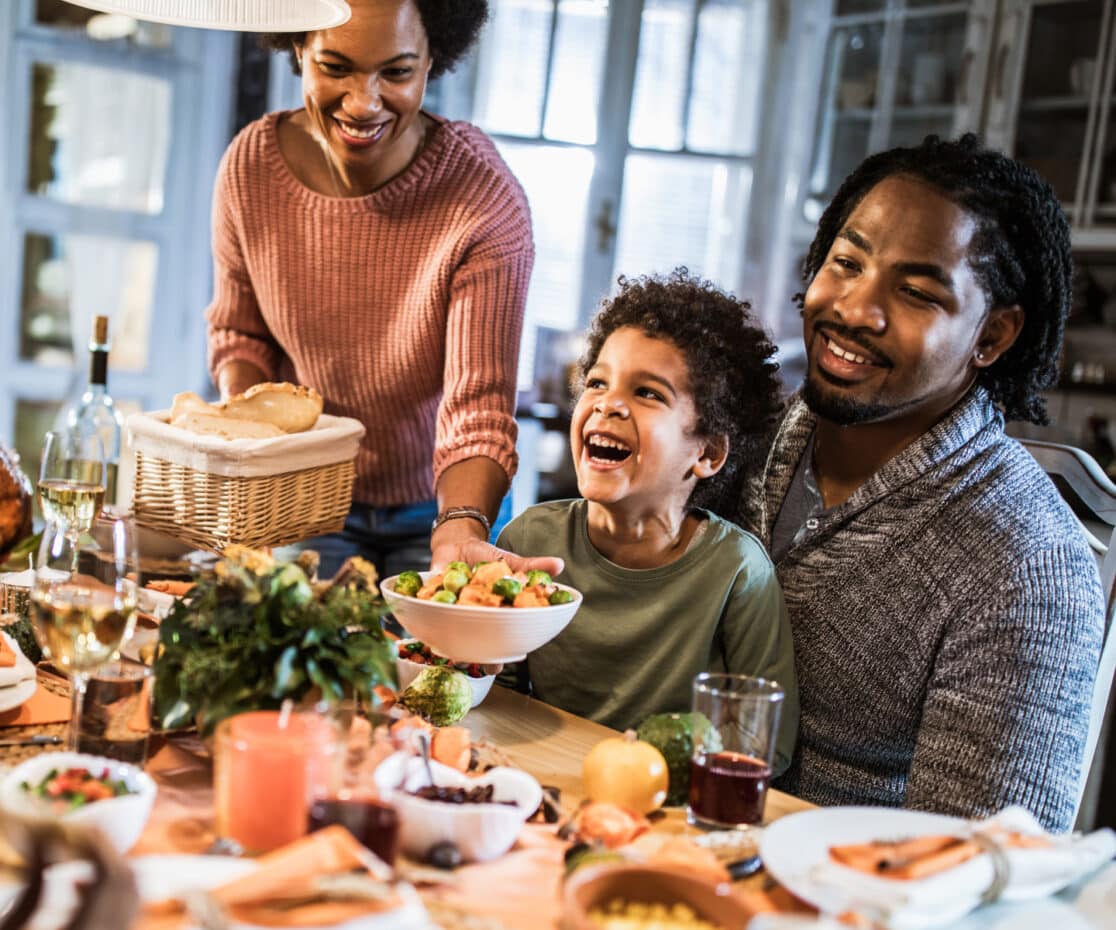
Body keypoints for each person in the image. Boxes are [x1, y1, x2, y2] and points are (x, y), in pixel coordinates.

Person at [750, 134, 1106, 831]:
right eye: (846, 262)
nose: (854, 308)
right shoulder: (738, 440)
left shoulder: (1028, 565)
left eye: (914, 292)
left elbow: (979, 868)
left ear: (993, 336)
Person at [206, 0, 559, 580]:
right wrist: (257, 456)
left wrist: (461, 525)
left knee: (433, 671)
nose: (363, 102)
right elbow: (241, 335)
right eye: (336, 67)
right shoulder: (251, 168)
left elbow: (478, 405)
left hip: (444, 509)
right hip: (307, 494)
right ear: (298, 48)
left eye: (395, 72)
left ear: (432, 61)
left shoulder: (483, 201)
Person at [497, 270, 798, 771]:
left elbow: (764, 741)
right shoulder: (528, 540)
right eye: (597, 382)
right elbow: (496, 696)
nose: (607, 403)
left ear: (707, 453)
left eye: (648, 394)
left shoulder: (738, 571)